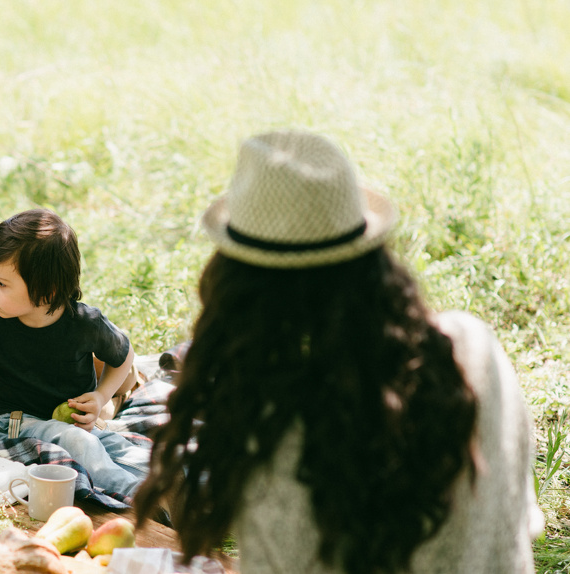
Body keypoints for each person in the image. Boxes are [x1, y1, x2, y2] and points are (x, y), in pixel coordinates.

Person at [133, 130, 543, 573]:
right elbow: (521, 523)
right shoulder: (475, 348)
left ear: (237, 292)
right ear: (372, 256)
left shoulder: (273, 439)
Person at [0, 209, 150, 498]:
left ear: (47, 291)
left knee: (120, 448)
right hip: (11, 423)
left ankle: (179, 485)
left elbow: (123, 356)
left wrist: (101, 397)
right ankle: (142, 500)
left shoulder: (85, 323)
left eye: (1, 283)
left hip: (72, 423)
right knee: (82, 444)